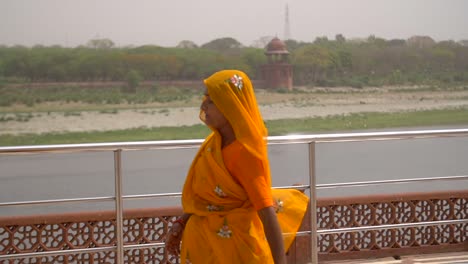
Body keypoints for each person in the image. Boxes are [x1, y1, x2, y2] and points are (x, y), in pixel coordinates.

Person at [165, 70, 309, 264]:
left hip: (235, 250)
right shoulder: (214, 144)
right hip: (202, 246)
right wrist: (181, 222)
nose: (203, 106)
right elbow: (206, 197)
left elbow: (266, 211)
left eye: (211, 101)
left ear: (231, 105)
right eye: (204, 99)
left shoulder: (244, 152)